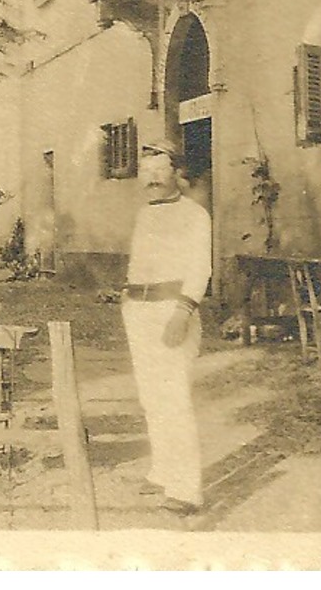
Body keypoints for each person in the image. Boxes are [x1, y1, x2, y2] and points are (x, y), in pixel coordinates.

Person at [123, 139, 212, 516]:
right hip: (138, 310)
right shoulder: (145, 214)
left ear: (177, 173)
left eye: (161, 170)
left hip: (172, 311)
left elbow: (200, 269)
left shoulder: (194, 215)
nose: (153, 179)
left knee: (173, 397)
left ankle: (187, 489)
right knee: (150, 396)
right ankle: (162, 470)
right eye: (147, 172)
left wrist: (183, 311)